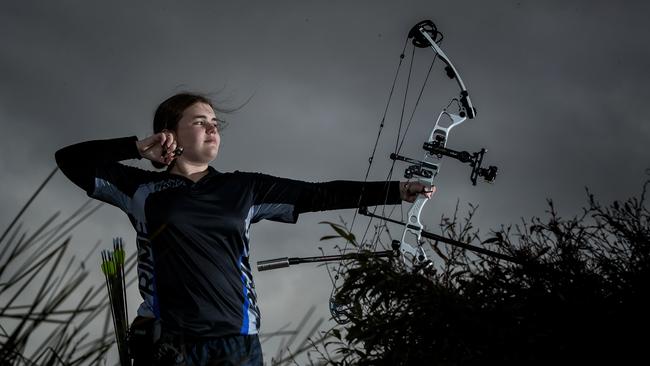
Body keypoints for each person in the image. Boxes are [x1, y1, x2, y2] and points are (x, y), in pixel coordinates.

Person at [55, 92, 432, 365]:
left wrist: (397, 190)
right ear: (169, 132)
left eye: (215, 124)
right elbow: (69, 159)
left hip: (237, 343)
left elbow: (319, 194)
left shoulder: (243, 188)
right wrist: (137, 148)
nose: (212, 129)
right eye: (199, 122)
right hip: (168, 344)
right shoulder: (140, 189)